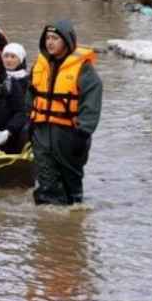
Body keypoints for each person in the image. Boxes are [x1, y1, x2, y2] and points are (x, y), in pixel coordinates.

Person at [27, 20, 102, 206]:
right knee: (46, 179)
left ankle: (71, 222)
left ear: (67, 41)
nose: (50, 42)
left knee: (71, 184)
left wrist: (83, 132)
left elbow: (91, 102)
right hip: (42, 131)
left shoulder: (84, 70)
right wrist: (29, 123)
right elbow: (29, 95)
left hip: (70, 134)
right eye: (47, 38)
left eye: (55, 38)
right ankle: (48, 224)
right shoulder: (40, 65)